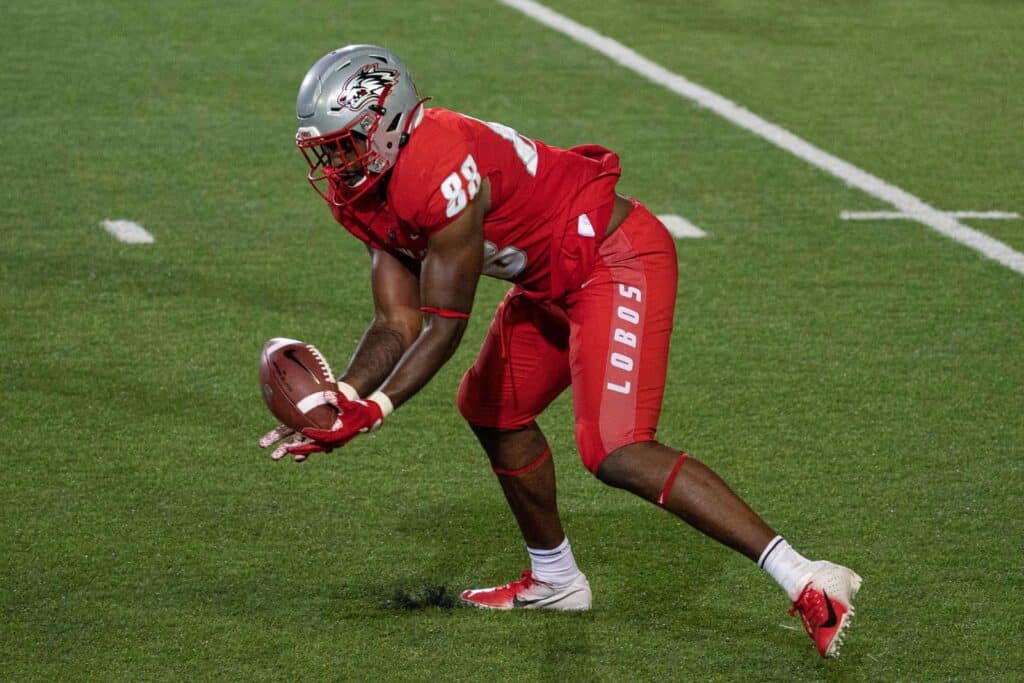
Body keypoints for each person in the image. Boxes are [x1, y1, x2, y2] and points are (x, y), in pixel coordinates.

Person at [259, 44, 862, 658]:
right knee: (491, 408)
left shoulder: (437, 162)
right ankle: (556, 581)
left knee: (616, 449)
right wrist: (345, 397)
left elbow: (443, 326)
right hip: (551, 278)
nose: (336, 163)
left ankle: (806, 575)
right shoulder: (367, 194)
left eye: (346, 144)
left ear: (387, 121)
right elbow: (396, 320)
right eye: (327, 149)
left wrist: (376, 411)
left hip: (612, 258)